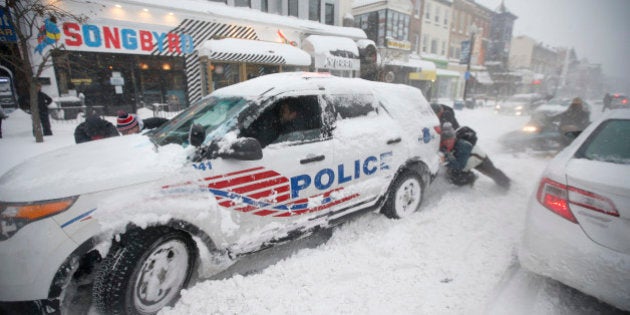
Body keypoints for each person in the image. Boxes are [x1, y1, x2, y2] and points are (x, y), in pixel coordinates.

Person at [440, 123, 511, 189]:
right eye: (445, 140)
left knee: (493, 173)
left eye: (450, 139)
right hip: (467, 160)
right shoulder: (448, 145)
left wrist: (447, 156)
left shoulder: (463, 146)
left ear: (454, 138)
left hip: (479, 160)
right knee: (452, 175)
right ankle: (468, 176)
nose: (447, 142)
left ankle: (507, 184)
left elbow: (460, 166)